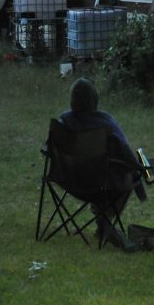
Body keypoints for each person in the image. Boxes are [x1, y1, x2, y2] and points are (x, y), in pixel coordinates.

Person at [59, 77, 146, 251]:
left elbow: (47, 150)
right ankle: (104, 218)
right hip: (100, 185)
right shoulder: (105, 122)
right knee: (130, 177)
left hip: (70, 182)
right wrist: (140, 169)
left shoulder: (62, 122)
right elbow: (125, 153)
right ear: (94, 100)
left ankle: (102, 220)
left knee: (120, 172)